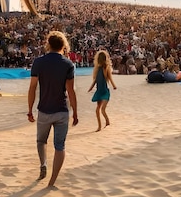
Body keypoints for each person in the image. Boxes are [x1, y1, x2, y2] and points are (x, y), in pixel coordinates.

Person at [27, 31, 78, 188]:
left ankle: (43, 164)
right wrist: (75, 112)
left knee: (41, 140)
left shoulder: (39, 62)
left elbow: (33, 87)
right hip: (62, 110)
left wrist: (30, 109)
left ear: (48, 44)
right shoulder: (68, 64)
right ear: (63, 46)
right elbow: (70, 91)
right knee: (59, 146)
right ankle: (52, 181)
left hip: (44, 109)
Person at [88, 50, 117, 132]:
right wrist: (90, 88)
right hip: (99, 91)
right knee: (97, 109)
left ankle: (107, 121)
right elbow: (95, 81)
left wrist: (114, 85)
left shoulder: (106, 69)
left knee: (102, 109)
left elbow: (110, 78)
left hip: (104, 91)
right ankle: (99, 126)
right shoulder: (97, 69)